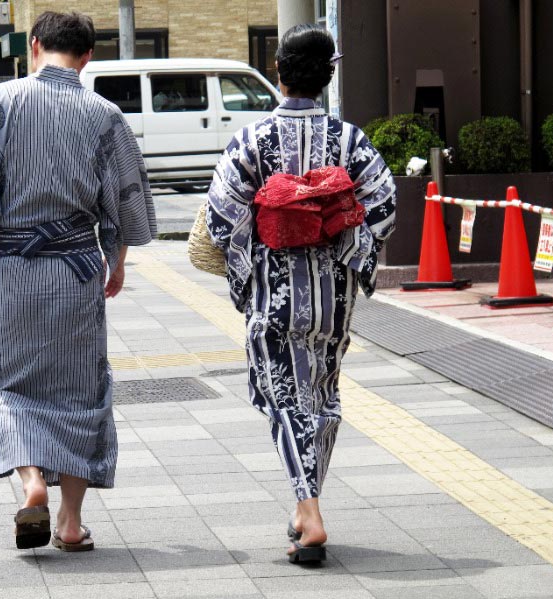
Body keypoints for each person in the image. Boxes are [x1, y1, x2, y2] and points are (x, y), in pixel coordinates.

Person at [0, 10, 156, 552]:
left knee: (15, 387)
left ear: (34, 46)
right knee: (82, 391)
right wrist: (119, 256)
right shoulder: (104, 113)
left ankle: (31, 481)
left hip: (14, 267)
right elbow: (127, 193)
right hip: (76, 267)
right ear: (88, 56)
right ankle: (68, 523)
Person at [206, 23, 396, 564]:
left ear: (280, 74)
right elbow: (383, 206)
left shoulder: (251, 140)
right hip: (333, 295)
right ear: (327, 78)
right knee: (324, 398)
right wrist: (348, 247)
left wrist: (248, 265)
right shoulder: (350, 140)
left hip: (275, 291)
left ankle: (308, 510)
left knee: (284, 398)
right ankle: (304, 506)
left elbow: (223, 216)